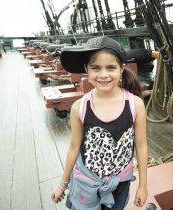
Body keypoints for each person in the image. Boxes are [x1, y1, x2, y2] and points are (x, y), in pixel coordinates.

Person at [51, 36, 148, 209]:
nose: (103, 75)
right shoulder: (79, 108)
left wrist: (142, 186)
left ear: (121, 68)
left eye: (111, 67)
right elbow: (74, 148)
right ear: (86, 69)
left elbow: (141, 146)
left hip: (120, 182)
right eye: (95, 68)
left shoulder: (135, 104)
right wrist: (62, 184)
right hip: (85, 182)